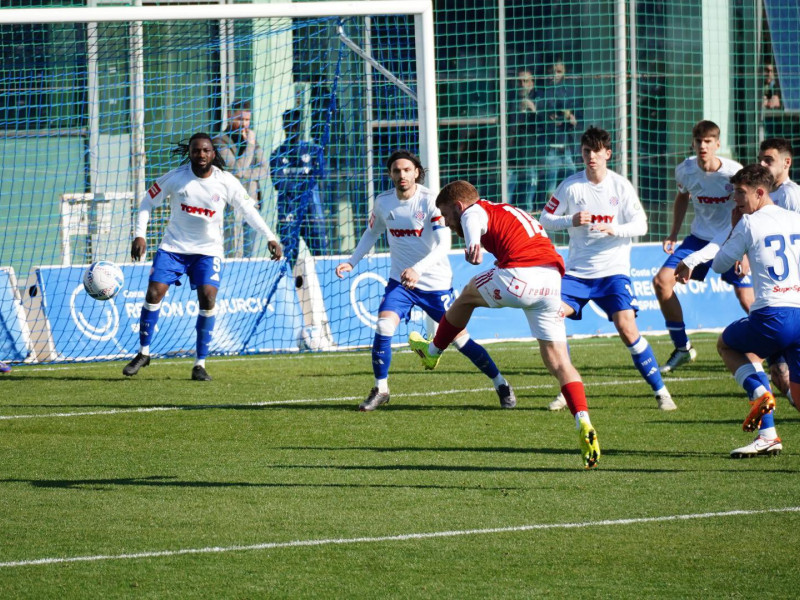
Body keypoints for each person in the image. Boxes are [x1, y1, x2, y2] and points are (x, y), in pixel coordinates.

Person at [408, 180, 601, 469]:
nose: (447, 223)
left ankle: (433, 351)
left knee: (466, 296)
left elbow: (473, 221)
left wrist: (473, 244)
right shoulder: (506, 209)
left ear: (459, 206)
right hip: (551, 281)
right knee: (559, 361)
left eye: (447, 215)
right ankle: (583, 420)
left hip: (521, 274)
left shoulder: (474, 211)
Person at [335, 151, 513, 412]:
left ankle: (501, 384)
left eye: (407, 170)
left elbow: (444, 244)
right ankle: (381, 389)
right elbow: (371, 233)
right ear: (390, 175)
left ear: (417, 172)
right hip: (400, 282)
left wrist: (417, 269)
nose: (402, 175)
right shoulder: (383, 203)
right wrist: (352, 261)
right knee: (384, 326)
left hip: (435, 283)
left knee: (460, 340)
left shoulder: (430, 202)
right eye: (396, 171)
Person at [123, 133, 282, 381]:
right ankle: (143, 353)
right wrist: (139, 235)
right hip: (174, 248)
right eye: (196, 151)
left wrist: (270, 237)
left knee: (208, 298)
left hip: (208, 251)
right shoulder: (176, 178)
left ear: (213, 153)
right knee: (153, 293)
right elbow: (146, 202)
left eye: (206, 150)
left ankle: (200, 364)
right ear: (190, 152)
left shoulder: (226, 181)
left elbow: (248, 210)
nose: (201, 155)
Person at [540, 126, 676, 412]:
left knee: (626, 327)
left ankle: (661, 391)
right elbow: (545, 219)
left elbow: (642, 225)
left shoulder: (620, 186)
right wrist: (570, 220)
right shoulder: (571, 186)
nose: (591, 157)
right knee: (553, 318)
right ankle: (568, 387)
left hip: (613, 272)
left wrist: (614, 229)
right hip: (577, 273)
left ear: (607, 154)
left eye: (596, 151)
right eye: (586, 151)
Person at [675, 137, 800, 399]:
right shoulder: (773, 210)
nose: (762, 163)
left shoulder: (791, 197)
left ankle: (763, 414)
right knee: (782, 377)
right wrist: (695, 258)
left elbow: (724, 257)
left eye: (769, 160)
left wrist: (740, 243)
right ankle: (768, 428)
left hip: (776, 308)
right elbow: (725, 236)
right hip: (791, 307)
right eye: (760, 158)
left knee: (737, 347)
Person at [709, 164, 800, 457]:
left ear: (760, 193)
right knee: (795, 392)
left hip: (772, 316)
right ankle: (768, 434)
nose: (735, 199)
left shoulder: (750, 223)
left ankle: (760, 395)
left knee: (728, 344)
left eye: (740, 192)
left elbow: (719, 264)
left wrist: (736, 231)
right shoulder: (796, 219)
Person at [652, 120, 750, 374]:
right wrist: (673, 233)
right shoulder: (685, 170)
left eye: (708, 141)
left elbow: (746, 210)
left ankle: (777, 351)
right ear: (693, 143)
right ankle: (682, 348)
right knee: (662, 282)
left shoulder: (733, 173)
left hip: (730, 240)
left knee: (748, 300)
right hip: (697, 239)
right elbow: (682, 196)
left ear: (718, 144)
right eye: (698, 141)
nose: (703, 146)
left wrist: (746, 250)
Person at [270, 108, 329, 263]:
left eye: (295, 126)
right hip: (288, 211)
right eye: (289, 126)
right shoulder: (277, 154)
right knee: (289, 257)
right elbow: (279, 183)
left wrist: (299, 183)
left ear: (301, 126)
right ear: (284, 127)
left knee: (321, 255)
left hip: (312, 211)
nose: (292, 130)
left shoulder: (314, 150)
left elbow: (321, 175)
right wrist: (303, 181)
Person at [213, 100, 269, 258]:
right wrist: (249, 147)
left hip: (252, 205)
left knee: (250, 255)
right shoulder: (220, 142)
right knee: (235, 255)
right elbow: (235, 170)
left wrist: (245, 173)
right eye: (240, 119)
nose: (244, 124)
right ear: (230, 117)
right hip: (232, 206)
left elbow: (265, 170)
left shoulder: (251, 140)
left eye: (247, 120)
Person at [534, 59, 579, 206]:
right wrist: (548, 117)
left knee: (572, 178)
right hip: (549, 146)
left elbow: (576, 118)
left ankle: (569, 208)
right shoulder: (540, 93)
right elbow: (538, 116)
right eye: (551, 71)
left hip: (565, 145)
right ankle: (550, 214)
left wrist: (570, 118)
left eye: (559, 71)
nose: (554, 75)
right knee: (550, 185)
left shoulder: (568, 92)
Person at [507, 68, 539, 213]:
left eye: (525, 81)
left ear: (532, 83)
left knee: (527, 204)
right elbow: (508, 129)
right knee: (505, 201)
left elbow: (545, 128)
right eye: (519, 82)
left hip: (530, 159)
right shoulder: (508, 102)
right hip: (510, 159)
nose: (522, 85)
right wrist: (517, 112)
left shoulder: (540, 100)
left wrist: (534, 111)